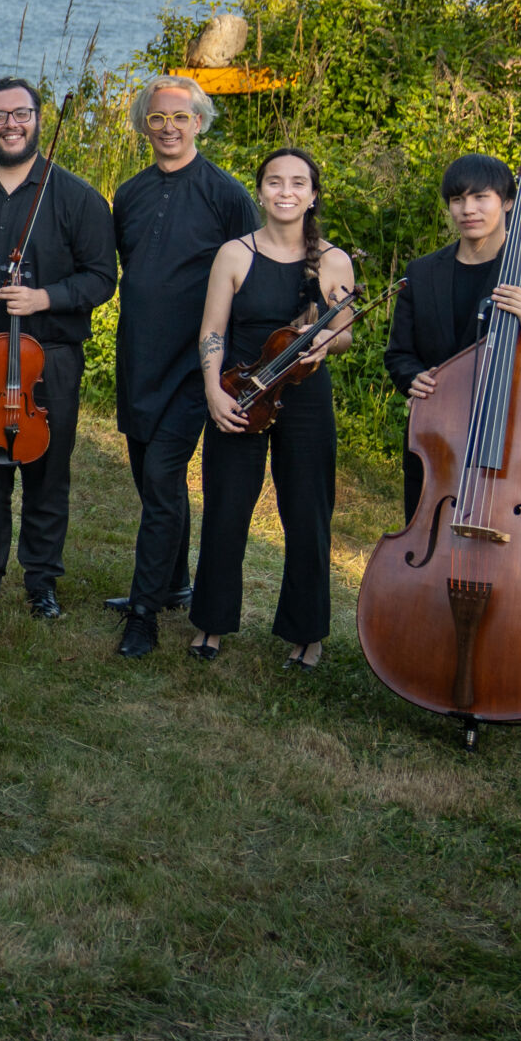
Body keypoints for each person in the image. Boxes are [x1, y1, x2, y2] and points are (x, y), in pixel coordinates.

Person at [0, 78, 116, 620]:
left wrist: (44, 297)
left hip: (49, 363)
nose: (11, 125)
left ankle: (42, 584)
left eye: (21, 114)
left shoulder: (78, 196)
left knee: (46, 476)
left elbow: (102, 277)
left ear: (38, 117)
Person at [108, 74, 258, 658]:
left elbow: (252, 274)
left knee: (164, 481)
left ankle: (143, 614)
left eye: (180, 117)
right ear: (145, 125)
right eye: (157, 118)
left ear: (199, 122)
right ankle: (171, 584)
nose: (168, 127)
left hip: (195, 365)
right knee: (149, 480)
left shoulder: (226, 194)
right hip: (137, 355)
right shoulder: (130, 191)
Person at [189, 149, 357, 669]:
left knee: (307, 511)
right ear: (260, 191)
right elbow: (213, 330)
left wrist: (324, 341)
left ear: (312, 195)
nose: (286, 191)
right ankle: (211, 623)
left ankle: (307, 633)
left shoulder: (332, 260)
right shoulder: (234, 254)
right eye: (275, 182)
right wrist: (215, 391)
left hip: (304, 396)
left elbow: (346, 331)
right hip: (242, 388)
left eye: (298, 183)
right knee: (226, 506)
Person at [383, 151, 521, 523]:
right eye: (458, 199)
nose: (467, 209)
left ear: (509, 201)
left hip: (513, 447)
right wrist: (413, 378)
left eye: (481, 197)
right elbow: (399, 354)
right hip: (437, 442)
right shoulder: (423, 271)